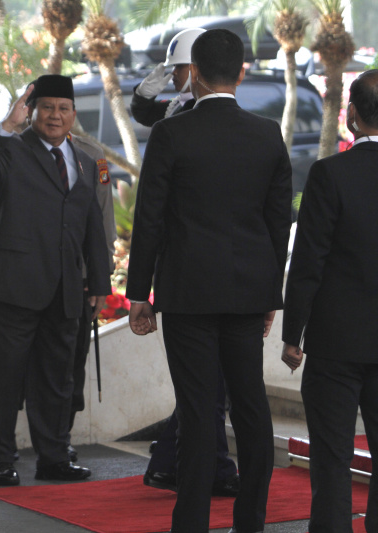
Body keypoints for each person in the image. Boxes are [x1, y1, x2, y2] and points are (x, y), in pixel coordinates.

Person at [126, 29, 292, 533]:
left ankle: (192, 523)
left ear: (193, 73)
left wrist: (138, 293)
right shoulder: (266, 134)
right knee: (250, 407)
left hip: (187, 295)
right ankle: (251, 522)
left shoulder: (172, 135)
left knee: (199, 413)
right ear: (241, 72)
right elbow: (277, 223)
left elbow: (150, 218)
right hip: (246, 294)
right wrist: (269, 296)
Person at [0, 74, 110, 487]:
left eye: (64, 109)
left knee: (57, 378)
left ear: (73, 115)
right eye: (47, 107)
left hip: (66, 287)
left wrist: (98, 280)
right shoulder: (10, 150)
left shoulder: (83, 158)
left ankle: (53, 457)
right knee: (7, 377)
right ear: (32, 112)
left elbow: (91, 225)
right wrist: (6, 126)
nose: (55, 116)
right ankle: (1, 460)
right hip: (13, 286)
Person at [131, 27, 241, 498]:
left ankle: (170, 462)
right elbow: (142, 111)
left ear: (195, 70)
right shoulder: (177, 113)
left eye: (180, 69)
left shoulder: (199, 119)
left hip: (204, 268)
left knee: (207, 387)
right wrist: (154, 81)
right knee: (209, 388)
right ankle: (209, 468)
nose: (176, 77)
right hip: (203, 273)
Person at [281, 69, 378, 533]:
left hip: (335, 341)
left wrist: (292, 333)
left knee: (333, 458)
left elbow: (309, 261)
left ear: (352, 115)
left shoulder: (329, 174)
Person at [64, 132, 116, 463]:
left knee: (72, 362)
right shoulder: (18, 148)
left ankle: (61, 436)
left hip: (79, 275)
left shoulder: (89, 152)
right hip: (35, 277)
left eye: (63, 108)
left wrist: (101, 274)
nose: (55, 115)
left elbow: (103, 214)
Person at [131, 28, 205, 127]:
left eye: (179, 66)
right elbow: (145, 115)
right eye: (174, 66)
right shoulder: (177, 105)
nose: (174, 72)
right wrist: (142, 97)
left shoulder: (206, 110)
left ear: (196, 68)